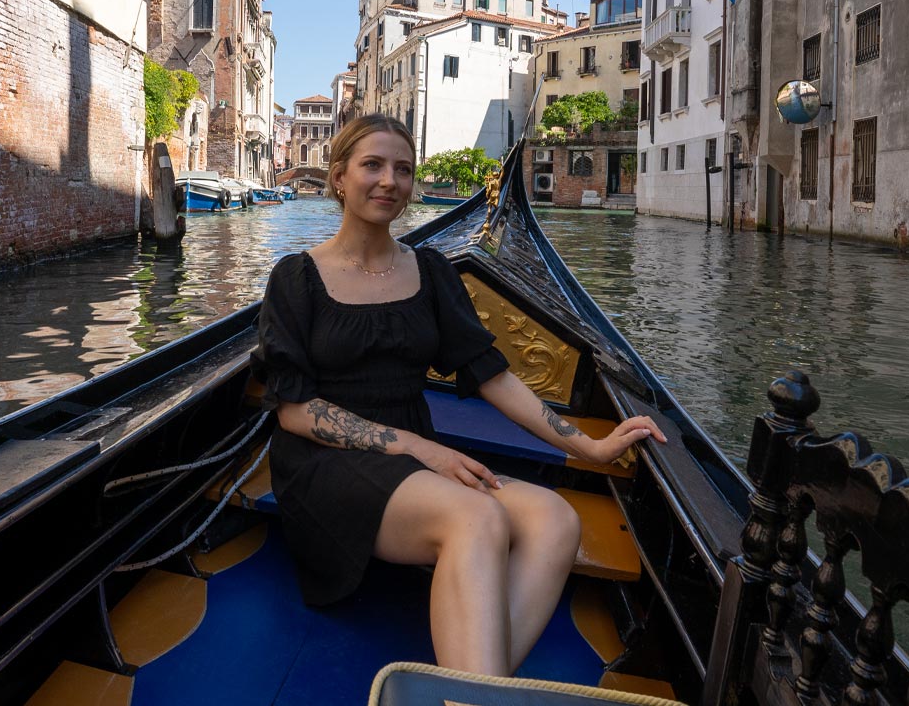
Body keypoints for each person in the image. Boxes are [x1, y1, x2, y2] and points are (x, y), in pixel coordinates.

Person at [253, 115, 665, 677]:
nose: (389, 181)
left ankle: (475, 688)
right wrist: (420, 450)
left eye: (402, 169)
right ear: (338, 178)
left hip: (415, 457)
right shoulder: (296, 278)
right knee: (477, 519)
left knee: (555, 519)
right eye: (372, 165)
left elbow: (491, 376)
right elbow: (295, 409)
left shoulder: (430, 272)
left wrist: (589, 448)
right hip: (325, 463)